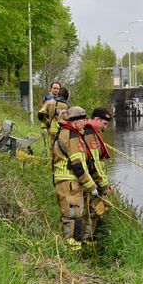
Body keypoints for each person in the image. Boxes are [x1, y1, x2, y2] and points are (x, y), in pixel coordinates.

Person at [52, 106, 99, 251]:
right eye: (83, 120)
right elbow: (78, 166)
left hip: (64, 181)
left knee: (71, 215)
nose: (85, 123)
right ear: (75, 121)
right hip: (70, 183)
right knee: (73, 216)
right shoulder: (72, 136)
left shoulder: (63, 132)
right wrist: (92, 186)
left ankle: (73, 247)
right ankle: (73, 249)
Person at [82, 107, 113, 244]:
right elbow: (93, 163)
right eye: (104, 124)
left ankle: (91, 240)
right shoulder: (89, 135)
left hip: (93, 180)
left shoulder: (92, 133)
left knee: (95, 212)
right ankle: (89, 242)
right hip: (92, 182)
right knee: (92, 212)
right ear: (96, 119)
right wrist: (104, 185)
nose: (105, 128)